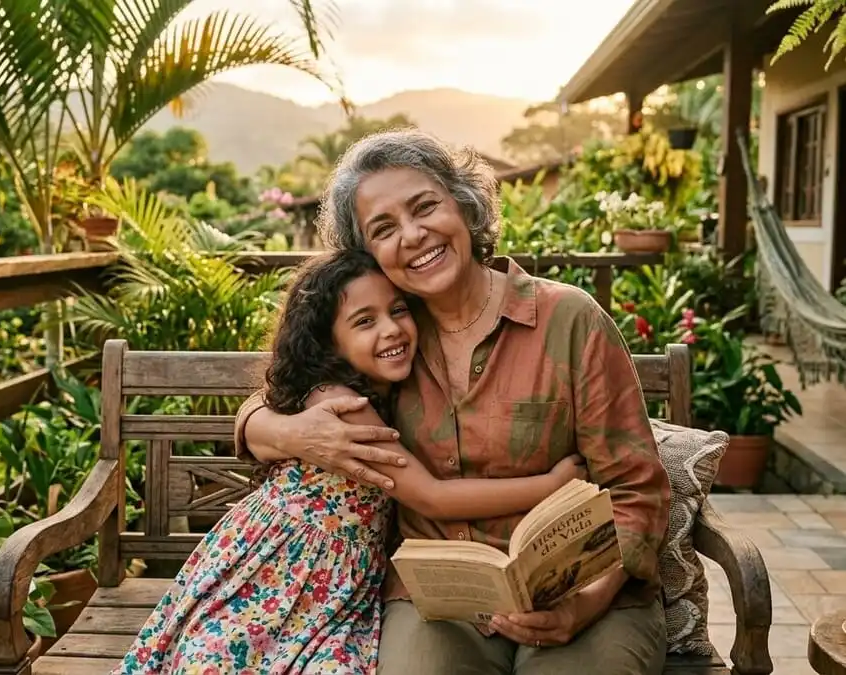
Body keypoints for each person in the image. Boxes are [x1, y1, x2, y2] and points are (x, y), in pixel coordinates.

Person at [235, 129, 672, 674]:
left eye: (425, 207)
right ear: (367, 254)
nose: (414, 235)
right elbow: (281, 390)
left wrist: (586, 602)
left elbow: (637, 489)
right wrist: (286, 431)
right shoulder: (387, 338)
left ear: (464, 206)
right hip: (438, 600)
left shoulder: (569, 320)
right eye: (384, 228)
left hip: (582, 585)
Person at [112, 248, 586, 675]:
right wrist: (551, 484)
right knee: (221, 659)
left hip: (333, 584)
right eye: (364, 321)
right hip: (282, 566)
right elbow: (433, 496)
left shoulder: (383, 387)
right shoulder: (342, 404)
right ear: (328, 343)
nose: (391, 329)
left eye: (398, 310)